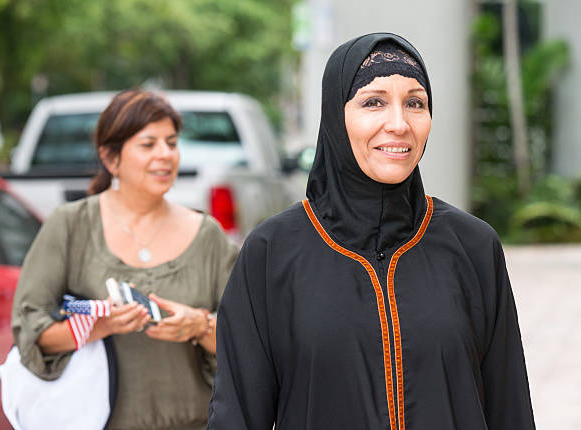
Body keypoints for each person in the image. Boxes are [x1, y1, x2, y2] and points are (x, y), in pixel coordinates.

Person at [207, 33, 535, 430]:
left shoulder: (473, 246)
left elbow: (509, 408)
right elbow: (237, 416)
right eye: (373, 102)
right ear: (334, 115)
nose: (398, 124)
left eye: (415, 103)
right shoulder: (272, 252)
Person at [11, 89, 239, 430]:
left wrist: (200, 325)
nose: (165, 155)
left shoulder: (207, 234)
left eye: (172, 143)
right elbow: (31, 329)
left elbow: (249, 340)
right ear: (110, 157)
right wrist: (97, 326)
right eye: (148, 144)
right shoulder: (70, 225)